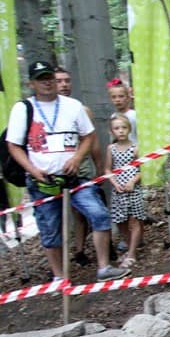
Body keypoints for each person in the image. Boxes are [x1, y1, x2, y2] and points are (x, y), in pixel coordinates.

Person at [5, 61, 130, 282]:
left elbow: (88, 136)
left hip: (74, 177)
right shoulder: (22, 109)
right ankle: (59, 276)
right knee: (50, 228)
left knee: (99, 214)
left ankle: (104, 267)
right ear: (32, 83)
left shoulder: (73, 106)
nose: (47, 83)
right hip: (42, 180)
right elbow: (13, 145)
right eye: (41, 79)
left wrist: (77, 158)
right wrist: (32, 170)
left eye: (49, 78)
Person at [55, 66, 106, 267]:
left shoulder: (81, 110)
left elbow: (92, 140)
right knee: (55, 215)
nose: (64, 85)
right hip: (52, 174)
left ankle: (83, 250)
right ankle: (64, 261)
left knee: (85, 211)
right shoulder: (41, 112)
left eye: (67, 81)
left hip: (81, 170)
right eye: (59, 81)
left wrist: (99, 167)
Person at [106, 113, 146, 269]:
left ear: (129, 129)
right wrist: (114, 183)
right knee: (120, 221)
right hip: (119, 190)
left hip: (133, 189)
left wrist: (133, 181)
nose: (121, 131)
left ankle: (132, 254)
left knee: (135, 220)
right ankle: (130, 247)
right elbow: (107, 169)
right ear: (112, 131)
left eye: (124, 127)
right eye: (117, 128)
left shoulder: (135, 148)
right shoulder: (111, 149)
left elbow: (143, 169)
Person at [107, 78, 138, 144]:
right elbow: (113, 138)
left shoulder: (134, 115)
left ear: (128, 97)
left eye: (121, 96)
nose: (117, 100)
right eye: (114, 97)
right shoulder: (113, 116)